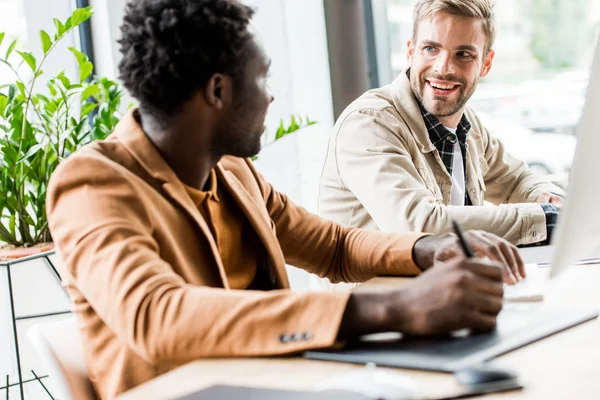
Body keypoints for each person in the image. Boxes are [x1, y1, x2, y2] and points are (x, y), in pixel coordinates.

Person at [47, 1, 522, 398]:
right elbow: (157, 314)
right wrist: (393, 308)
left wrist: (427, 248)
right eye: (263, 80)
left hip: (277, 382)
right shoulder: (93, 184)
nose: (271, 99)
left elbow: (333, 246)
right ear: (217, 91)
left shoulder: (232, 170)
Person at [318, 0, 564, 247]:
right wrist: (544, 220)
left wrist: (553, 201)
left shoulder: (468, 126)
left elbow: (517, 180)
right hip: (381, 286)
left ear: (486, 64)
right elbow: (419, 225)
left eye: (464, 54)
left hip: (448, 283)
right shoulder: (368, 124)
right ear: (410, 52)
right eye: (431, 49)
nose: (443, 68)